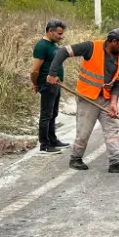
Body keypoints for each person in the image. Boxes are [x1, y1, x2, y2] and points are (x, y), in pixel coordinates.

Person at [47, 28, 119, 173]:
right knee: (84, 131)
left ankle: (116, 161)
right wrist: (52, 73)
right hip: (87, 97)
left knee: (112, 130)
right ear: (113, 42)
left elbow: (118, 82)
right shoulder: (91, 47)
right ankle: (75, 158)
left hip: (106, 98)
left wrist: (114, 102)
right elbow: (63, 51)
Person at [30, 19, 69, 154]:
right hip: (47, 85)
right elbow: (34, 70)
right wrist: (35, 85)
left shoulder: (53, 45)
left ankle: (53, 140)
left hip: (56, 85)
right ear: (50, 32)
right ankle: (45, 145)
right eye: (59, 34)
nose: (61, 36)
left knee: (54, 113)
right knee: (46, 115)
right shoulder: (42, 46)